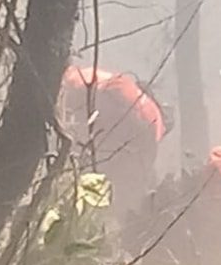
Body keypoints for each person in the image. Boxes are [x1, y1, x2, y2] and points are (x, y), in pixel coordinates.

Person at [60, 64, 168, 223]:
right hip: (112, 127)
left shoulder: (116, 85)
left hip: (86, 107)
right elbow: (137, 174)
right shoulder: (152, 117)